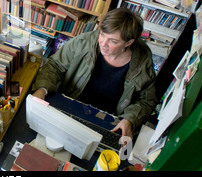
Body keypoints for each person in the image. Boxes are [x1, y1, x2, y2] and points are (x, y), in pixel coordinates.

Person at [31, 7, 157, 138]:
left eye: (113, 41)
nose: (103, 43)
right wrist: (42, 89)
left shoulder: (143, 65)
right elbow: (55, 65)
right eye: (102, 34)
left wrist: (130, 119)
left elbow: (146, 101)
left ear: (129, 42)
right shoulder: (83, 43)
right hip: (69, 106)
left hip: (108, 122)